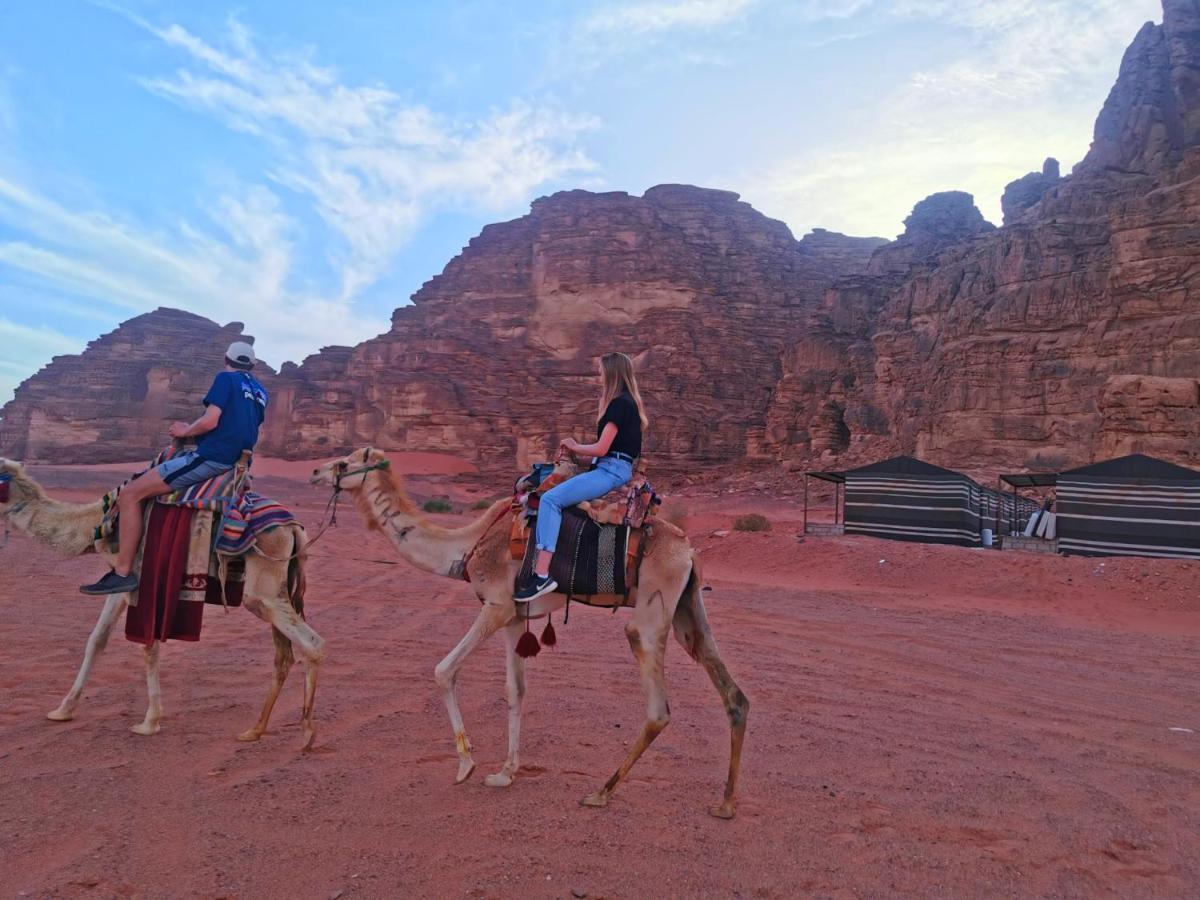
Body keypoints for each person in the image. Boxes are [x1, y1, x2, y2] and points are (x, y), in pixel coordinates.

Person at [80, 341, 269, 595]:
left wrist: (185, 430)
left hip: (214, 457)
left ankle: (122, 573)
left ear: (226, 360)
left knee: (130, 494)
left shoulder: (226, 378)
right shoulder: (260, 391)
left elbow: (211, 420)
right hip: (239, 461)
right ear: (253, 365)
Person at [515, 351, 647, 602]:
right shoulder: (629, 403)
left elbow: (601, 449)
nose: (598, 375)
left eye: (601, 370)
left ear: (611, 373)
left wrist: (574, 445)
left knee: (550, 500)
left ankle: (542, 575)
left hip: (610, 471)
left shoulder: (620, 404)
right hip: (613, 467)